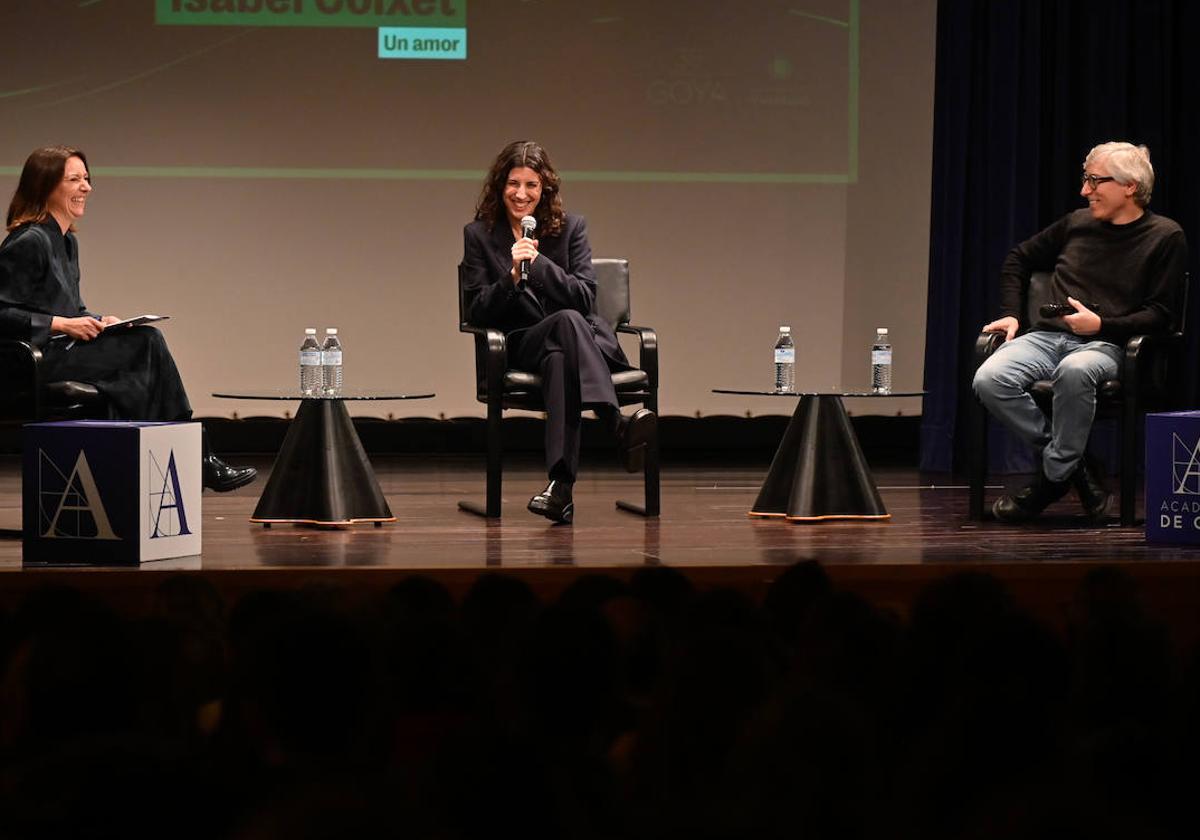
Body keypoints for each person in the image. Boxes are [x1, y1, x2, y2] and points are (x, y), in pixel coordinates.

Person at [0, 145, 256, 492]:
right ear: (45, 186)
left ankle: (169, 463)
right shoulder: (28, 241)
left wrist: (97, 319)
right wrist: (62, 325)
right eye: (74, 179)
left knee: (142, 345)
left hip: (63, 351)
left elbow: (64, 305)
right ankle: (194, 457)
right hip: (34, 361)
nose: (86, 187)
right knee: (147, 345)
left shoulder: (65, 242)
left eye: (87, 178)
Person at [973, 141, 1188, 523]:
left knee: (1074, 371)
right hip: (1046, 337)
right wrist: (1010, 314)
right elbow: (1018, 258)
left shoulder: (1165, 236)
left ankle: (1051, 478)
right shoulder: (1076, 223)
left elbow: (1161, 315)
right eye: (1085, 180)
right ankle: (1074, 466)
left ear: (1129, 187)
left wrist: (1103, 325)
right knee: (990, 377)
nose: (1084, 191)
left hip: (1108, 344)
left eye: (1094, 181)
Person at [461, 140, 655, 524]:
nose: (521, 194)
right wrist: (512, 277)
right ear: (500, 187)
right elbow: (475, 310)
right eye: (513, 183)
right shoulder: (480, 235)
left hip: (570, 347)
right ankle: (614, 422)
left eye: (531, 185)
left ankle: (560, 489)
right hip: (520, 344)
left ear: (544, 189)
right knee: (565, 325)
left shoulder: (570, 229)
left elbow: (586, 298)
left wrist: (540, 264)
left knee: (562, 350)